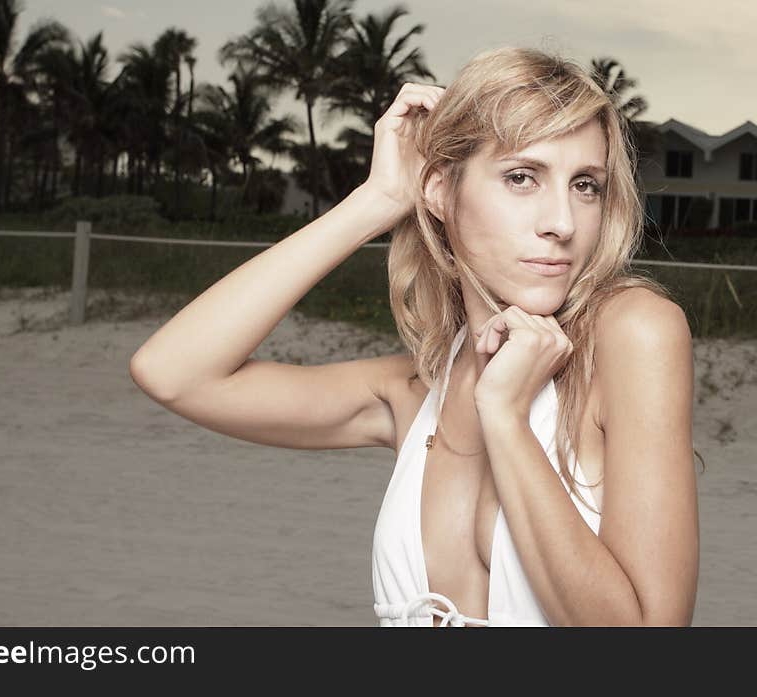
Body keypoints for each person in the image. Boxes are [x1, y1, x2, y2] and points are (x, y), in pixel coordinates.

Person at [129, 46, 700, 627]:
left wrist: (504, 417)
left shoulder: (633, 334)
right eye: (522, 177)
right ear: (438, 190)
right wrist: (375, 202)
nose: (562, 222)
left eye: (586, 185)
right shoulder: (417, 390)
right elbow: (174, 373)